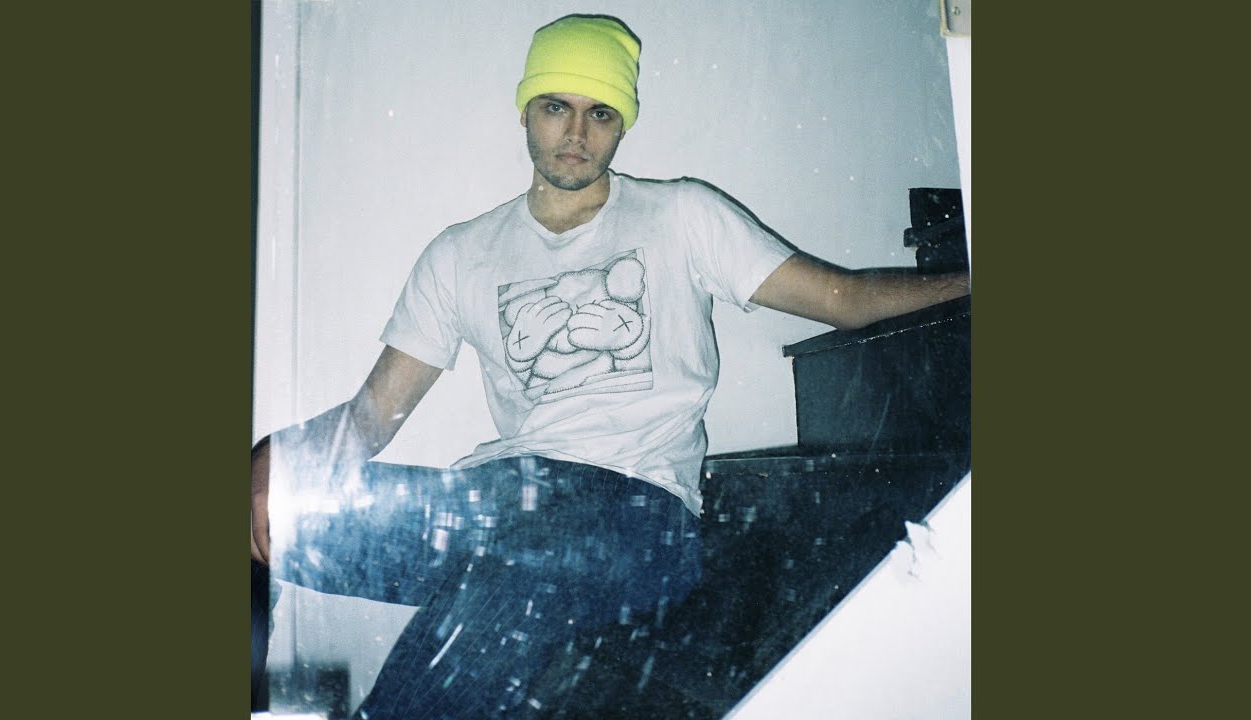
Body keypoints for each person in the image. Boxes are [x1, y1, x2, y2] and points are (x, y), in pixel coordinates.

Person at [251, 14, 969, 719]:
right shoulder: (459, 254)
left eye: (600, 113)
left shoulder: (681, 215)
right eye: (555, 107)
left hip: (636, 511)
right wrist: (271, 461)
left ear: (622, 124)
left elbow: (844, 299)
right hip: (496, 497)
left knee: (524, 556)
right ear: (524, 112)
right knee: (275, 514)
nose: (576, 132)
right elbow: (373, 415)